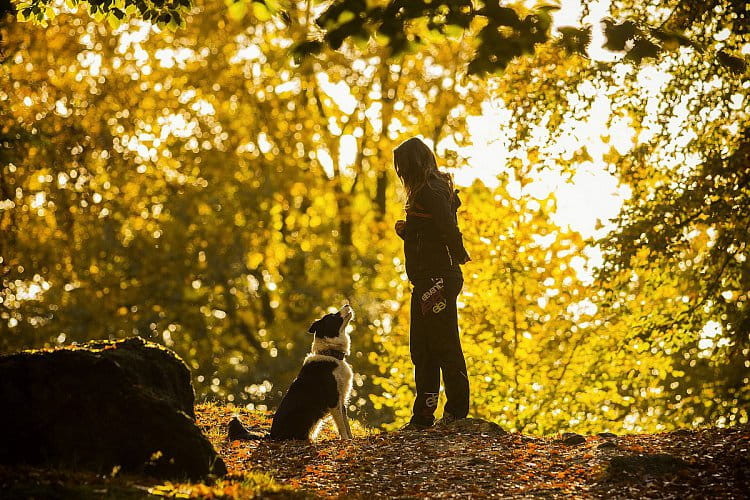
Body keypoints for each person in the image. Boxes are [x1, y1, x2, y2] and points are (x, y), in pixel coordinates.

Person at [393, 137, 471, 430]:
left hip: (437, 277)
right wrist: (408, 231)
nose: (401, 175)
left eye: (402, 168)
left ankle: (456, 413)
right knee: (423, 347)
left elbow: (446, 227)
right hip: (426, 278)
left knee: (444, 344)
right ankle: (424, 414)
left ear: (412, 164)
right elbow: (432, 230)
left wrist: (460, 254)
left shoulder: (430, 190)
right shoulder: (430, 190)